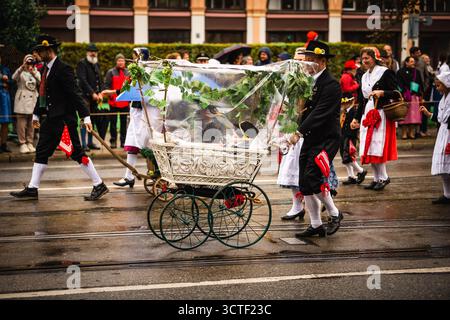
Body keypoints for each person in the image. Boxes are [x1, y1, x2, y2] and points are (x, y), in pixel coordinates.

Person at [10, 35, 108, 201]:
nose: (37, 54)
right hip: (51, 119)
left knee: (77, 152)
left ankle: (98, 184)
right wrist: (36, 114)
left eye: (40, 51)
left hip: (64, 120)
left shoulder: (64, 68)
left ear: (49, 50)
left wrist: (86, 117)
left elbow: (75, 95)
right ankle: (33, 188)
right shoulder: (45, 69)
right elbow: (43, 95)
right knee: (41, 150)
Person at [294, 40, 343, 238]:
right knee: (304, 182)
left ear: (322, 61)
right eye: (306, 60)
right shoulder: (309, 81)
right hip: (311, 137)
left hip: (327, 138)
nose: (306, 64)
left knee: (314, 176)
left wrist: (298, 132)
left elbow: (320, 113)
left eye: (311, 60)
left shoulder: (331, 84)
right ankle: (316, 225)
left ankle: (334, 213)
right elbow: (305, 111)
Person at [351, 47, 399, 191]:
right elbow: (361, 99)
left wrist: (382, 92)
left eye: (367, 58)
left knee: (378, 146)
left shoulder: (385, 72)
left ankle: (384, 177)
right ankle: (377, 178)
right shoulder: (364, 76)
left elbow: (396, 93)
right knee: (369, 147)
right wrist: (356, 119)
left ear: (375, 58)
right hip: (368, 113)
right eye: (363, 58)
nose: (364, 61)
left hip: (381, 114)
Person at [114, 47, 156, 188]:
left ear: (142, 57)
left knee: (149, 145)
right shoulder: (134, 72)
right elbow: (128, 88)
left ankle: (154, 175)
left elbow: (149, 91)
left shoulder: (149, 71)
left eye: (136, 56)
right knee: (132, 143)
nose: (134, 59)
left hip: (147, 112)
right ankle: (128, 176)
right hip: (136, 111)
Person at [420, 72, 450, 204]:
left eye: (439, 86)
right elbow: (440, 119)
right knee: (443, 166)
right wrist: (428, 114)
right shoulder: (444, 98)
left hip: (449, 133)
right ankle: (447, 194)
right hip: (443, 133)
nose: (437, 88)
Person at [339, 60, 367, 185]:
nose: (356, 71)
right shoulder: (346, 77)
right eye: (354, 69)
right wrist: (357, 85)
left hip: (348, 134)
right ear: (350, 69)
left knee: (348, 155)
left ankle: (360, 171)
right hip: (345, 134)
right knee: (345, 155)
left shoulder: (352, 111)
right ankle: (351, 175)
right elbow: (346, 89)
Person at [76, 43, 105, 150]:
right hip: (84, 96)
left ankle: (90, 142)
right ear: (87, 52)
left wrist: (100, 92)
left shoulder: (96, 64)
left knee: (92, 119)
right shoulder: (82, 64)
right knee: (84, 119)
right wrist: (92, 93)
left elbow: (100, 80)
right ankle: (83, 144)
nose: (93, 53)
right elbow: (82, 80)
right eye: (91, 51)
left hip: (95, 97)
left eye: (95, 51)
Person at [12, 54, 41, 153]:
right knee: (21, 123)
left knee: (32, 123)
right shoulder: (20, 72)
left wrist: (33, 72)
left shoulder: (35, 72)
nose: (29, 64)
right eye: (28, 62)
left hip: (33, 100)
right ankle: (22, 143)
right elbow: (13, 78)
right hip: (22, 100)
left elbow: (41, 81)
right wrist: (22, 67)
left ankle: (30, 142)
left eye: (31, 62)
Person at [103, 53, 130, 149]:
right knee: (113, 123)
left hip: (125, 102)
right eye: (119, 60)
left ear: (124, 62)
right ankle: (113, 141)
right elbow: (106, 86)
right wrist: (110, 97)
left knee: (124, 124)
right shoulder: (110, 72)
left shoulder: (128, 72)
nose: (120, 62)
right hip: (113, 102)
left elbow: (130, 87)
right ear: (116, 62)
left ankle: (123, 141)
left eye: (122, 60)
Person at [397, 56, 424, 140]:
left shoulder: (417, 72)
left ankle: (412, 133)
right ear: (406, 62)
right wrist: (402, 93)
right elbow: (398, 83)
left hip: (414, 96)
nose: (413, 63)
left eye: (413, 61)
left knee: (414, 116)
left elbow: (420, 83)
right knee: (404, 115)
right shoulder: (400, 72)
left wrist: (420, 95)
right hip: (404, 96)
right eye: (411, 61)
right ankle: (404, 133)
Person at [0, 55, 13, 153]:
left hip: (5, 96)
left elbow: (12, 81)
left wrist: (7, 80)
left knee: (5, 121)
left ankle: (3, 144)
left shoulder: (5, 69)